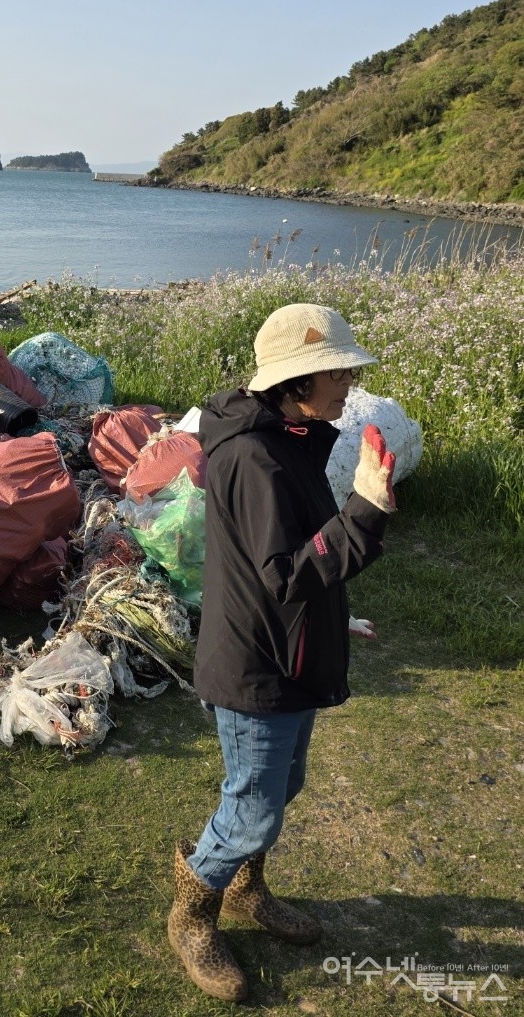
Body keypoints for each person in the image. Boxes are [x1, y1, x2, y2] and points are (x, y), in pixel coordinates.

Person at [168, 302, 396, 1003]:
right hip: (255, 667)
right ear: (299, 380)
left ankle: (245, 886)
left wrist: (334, 619)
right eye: (339, 370)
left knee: (279, 787)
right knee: (255, 806)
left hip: (289, 647)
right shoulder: (255, 454)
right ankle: (192, 913)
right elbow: (286, 574)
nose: (350, 380)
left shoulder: (293, 433)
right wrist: (365, 508)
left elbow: (292, 557)